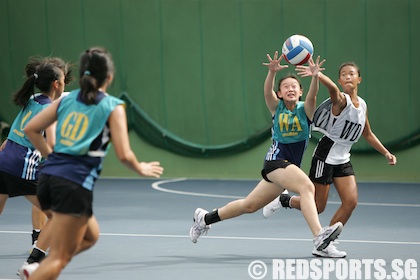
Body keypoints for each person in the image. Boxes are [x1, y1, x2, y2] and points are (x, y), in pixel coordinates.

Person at [19, 47, 164, 280]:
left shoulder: (67, 100)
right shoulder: (112, 106)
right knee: (61, 258)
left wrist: (50, 155)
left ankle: (39, 265)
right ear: (109, 77)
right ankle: (37, 269)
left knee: (91, 236)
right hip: (72, 185)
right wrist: (141, 168)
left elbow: (31, 129)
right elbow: (124, 155)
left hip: (46, 179)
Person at [189, 51, 343, 254]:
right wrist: (271, 73)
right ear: (279, 93)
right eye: (285, 87)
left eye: (294, 86)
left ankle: (205, 219)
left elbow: (313, 95)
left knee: (249, 205)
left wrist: (315, 76)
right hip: (276, 162)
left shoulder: (305, 110)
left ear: (300, 92)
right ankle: (319, 237)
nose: (290, 89)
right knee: (307, 187)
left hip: (287, 169)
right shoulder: (276, 108)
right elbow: (266, 93)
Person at [263, 61, 397, 258]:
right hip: (325, 156)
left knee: (350, 202)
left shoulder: (363, 105)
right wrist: (317, 75)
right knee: (318, 207)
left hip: (343, 158)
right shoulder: (341, 101)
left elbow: (367, 133)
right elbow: (332, 90)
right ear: (340, 81)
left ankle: (325, 243)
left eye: (352, 74)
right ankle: (284, 201)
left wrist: (385, 152)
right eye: (344, 74)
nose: (348, 77)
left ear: (359, 79)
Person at [0, 56, 72, 246]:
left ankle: (38, 241)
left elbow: (19, 126)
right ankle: (37, 253)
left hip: (3, 158)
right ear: (56, 84)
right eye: (63, 80)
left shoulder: (32, 98)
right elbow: (53, 143)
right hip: (21, 163)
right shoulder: (50, 109)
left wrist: (8, 139)